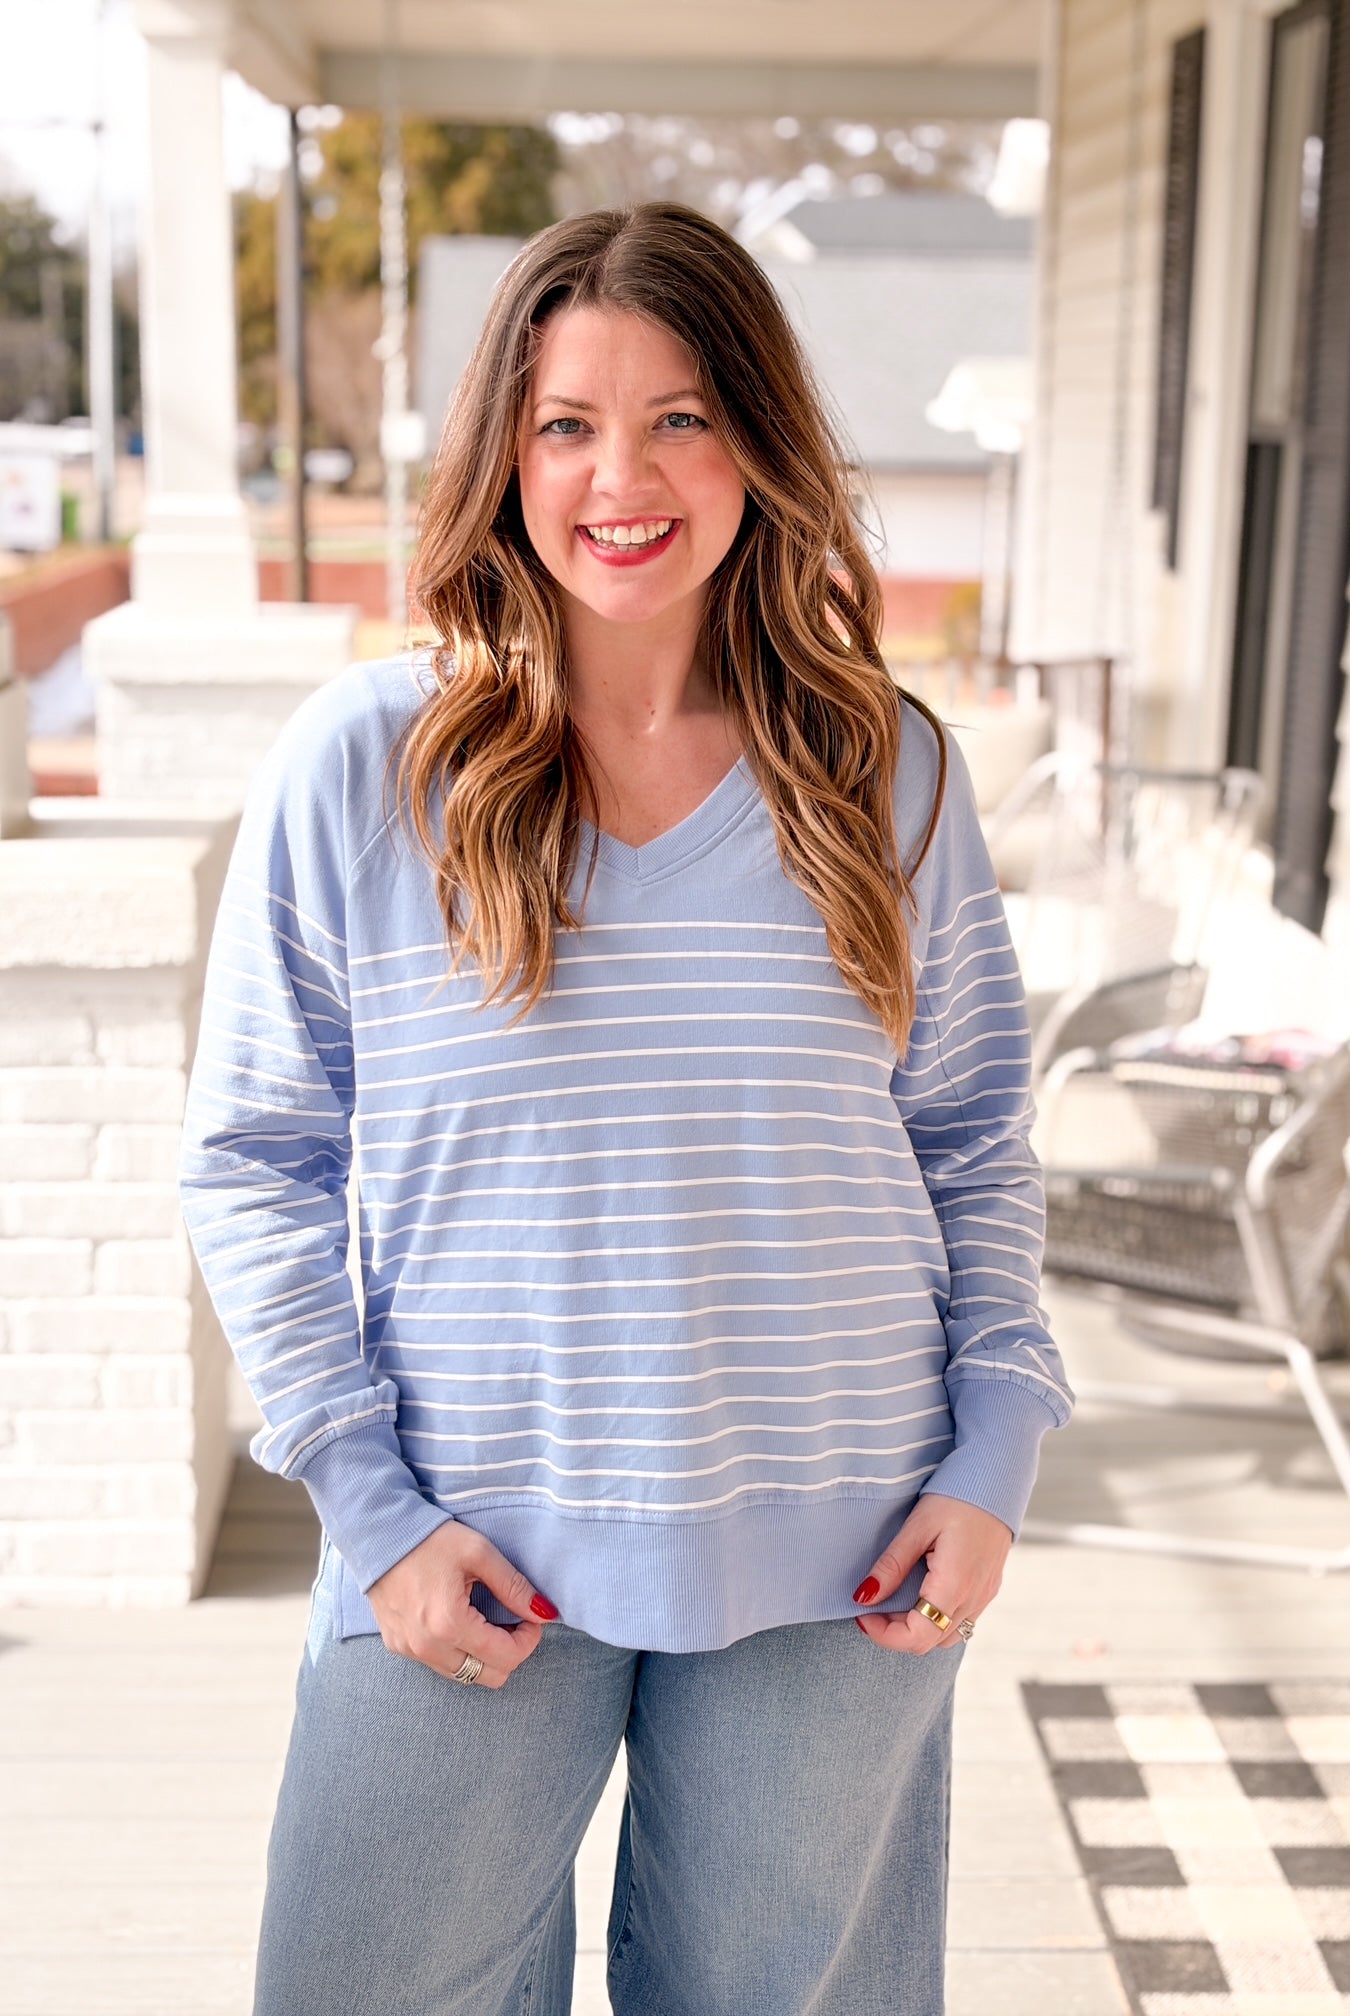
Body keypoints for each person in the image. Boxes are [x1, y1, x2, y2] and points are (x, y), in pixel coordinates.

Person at [179, 201, 1073, 2016]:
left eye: (679, 416)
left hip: (852, 1547)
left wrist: (993, 1459)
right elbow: (256, 1160)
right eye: (567, 422)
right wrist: (373, 1509)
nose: (621, 475)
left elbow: (973, 1137)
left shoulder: (882, 769)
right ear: (504, 452)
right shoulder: (368, 767)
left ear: (754, 440)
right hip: (462, 1540)